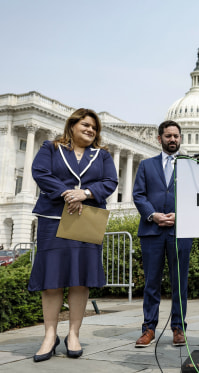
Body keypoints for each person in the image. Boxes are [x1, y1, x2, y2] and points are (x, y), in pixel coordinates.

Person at [29, 108, 118, 362]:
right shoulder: (51, 148)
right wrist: (69, 193)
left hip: (86, 219)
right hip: (54, 219)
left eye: (94, 127)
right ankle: (49, 335)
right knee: (52, 279)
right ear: (72, 125)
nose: (90, 129)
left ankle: (73, 334)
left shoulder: (102, 155)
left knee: (80, 279)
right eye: (85, 125)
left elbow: (110, 182)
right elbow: (40, 173)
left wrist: (86, 194)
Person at [133, 120, 193, 348]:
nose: (173, 140)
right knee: (151, 283)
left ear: (180, 138)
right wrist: (153, 215)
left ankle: (178, 327)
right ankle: (148, 328)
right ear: (160, 139)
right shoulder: (146, 165)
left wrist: (181, 214)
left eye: (176, 136)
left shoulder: (189, 165)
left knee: (180, 283)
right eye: (168, 136)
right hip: (152, 231)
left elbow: (197, 195)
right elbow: (139, 195)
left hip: (181, 230)